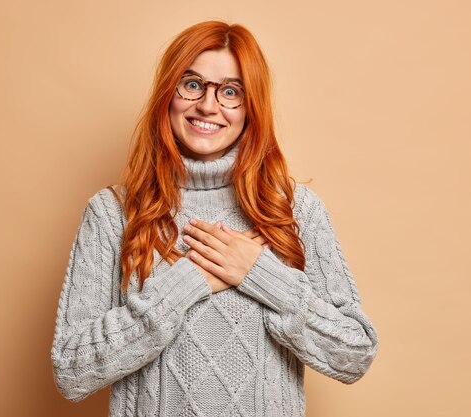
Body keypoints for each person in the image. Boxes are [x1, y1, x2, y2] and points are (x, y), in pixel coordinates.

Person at [51, 21, 379, 416]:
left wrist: (260, 275)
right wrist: (186, 283)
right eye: (192, 85)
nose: (208, 106)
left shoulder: (294, 210)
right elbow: (71, 370)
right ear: (167, 94)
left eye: (230, 92)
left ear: (251, 106)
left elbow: (353, 355)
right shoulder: (112, 214)